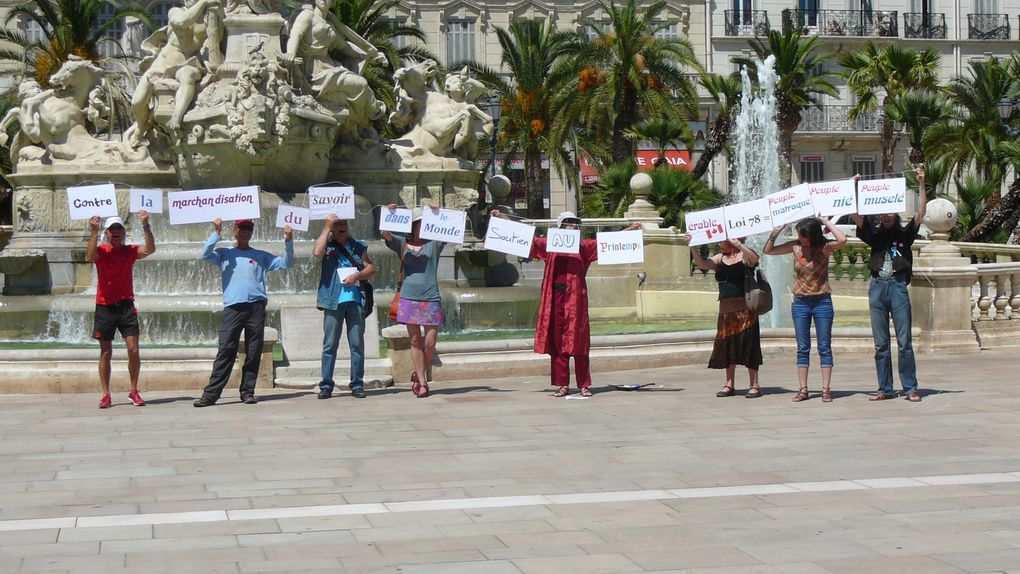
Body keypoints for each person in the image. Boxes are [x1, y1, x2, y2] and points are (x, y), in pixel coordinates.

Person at [493, 210, 640, 397]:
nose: (572, 226)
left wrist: (630, 230)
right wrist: (501, 219)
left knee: (579, 342)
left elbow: (608, 244)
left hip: (576, 300)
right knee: (558, 343)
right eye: (568, 223)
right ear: (560, 226)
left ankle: (583, 384)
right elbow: (524, 238)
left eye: (575, 223)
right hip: (555, 299)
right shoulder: (550, 245)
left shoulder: (583, 247)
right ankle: (562, 384)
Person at [194, 218, 294, 407]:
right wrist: (216, 232)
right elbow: (205, 255)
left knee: (253, 351)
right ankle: (211, 394)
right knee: (225, 350)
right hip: (233, 307)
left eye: (250, 228)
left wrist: (288, 240)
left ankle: (247, 392)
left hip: (255, 307)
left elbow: (286, 264)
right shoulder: (224, 253)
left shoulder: (260, 255)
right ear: (235, 230)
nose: (246, 231)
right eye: (243, 228)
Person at [851, 167, 927, 402]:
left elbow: (921, 212)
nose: (885, 216)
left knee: (904, 343)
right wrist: (854, 187)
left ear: (895, 212)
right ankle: (885, 388)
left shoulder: (904, 234)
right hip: (877, 286)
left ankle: (910, 387)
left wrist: (921, 183)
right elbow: (855, 215)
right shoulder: (873, 235)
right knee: (880, 344)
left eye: (889, 212)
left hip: (897, 286)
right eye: (882, 212)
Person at [764, 215, 846, 403]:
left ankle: (826, 390)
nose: (799, 238)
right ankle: (803, 389)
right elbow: (768, 251)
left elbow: (842, 240)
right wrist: (774, 234)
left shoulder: (824, 248)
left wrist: (826, 221)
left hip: (822, 302)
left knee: (824, 346)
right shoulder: (796, 247)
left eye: (802, 235)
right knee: (803, 347)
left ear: (812, 235)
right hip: (800, 302)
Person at [126, 0, 224, 146]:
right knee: (137, 101)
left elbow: (216, 41)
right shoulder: (176, 11)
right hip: (163, 64)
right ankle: (141, 126)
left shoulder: (207, 19)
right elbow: (182, 22)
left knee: (187, 76)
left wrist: (218, 15)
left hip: (188, 62)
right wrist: (204, 3)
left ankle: (177, 117)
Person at [86, 212, 156, 408]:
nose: (116, 232)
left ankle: (134, 391)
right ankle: (105, 394)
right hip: (105, 307)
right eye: (112, 229)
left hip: (126, 305)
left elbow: (150, 249)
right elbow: (90, 256)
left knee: (133, 349)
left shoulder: (129, 251)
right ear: (107, 233)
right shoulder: (101, 251)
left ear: (124, 233)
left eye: (119, 229)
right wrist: (93, 230)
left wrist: (145, 226)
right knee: (105, 352)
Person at [686, 235, 763, 398]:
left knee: (749, 347)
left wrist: (739, 245)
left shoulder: (744, 256)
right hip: (726, 313)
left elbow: (755, 259)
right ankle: (729, 383)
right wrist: (692, 246)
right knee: (728, 347)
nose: (720, 243)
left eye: (722, 240)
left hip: (745, 312)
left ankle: (754, 384)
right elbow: (702, 264)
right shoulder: (720, 258)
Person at [381, 205, 444, 398]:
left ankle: (419, 373)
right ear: (413, 226)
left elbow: (452, 229)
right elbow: (384, 231)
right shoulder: (402, 243)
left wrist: (438, 213)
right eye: (419, 224)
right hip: (409, 297)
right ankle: (423, 382)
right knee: (416, 340)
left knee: (430, 342)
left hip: (431, 297)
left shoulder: (434, 244)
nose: (422, 227)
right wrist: (389, 211)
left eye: (425, 223)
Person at [313, 214, 375, 399]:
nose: (342, 227)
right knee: (329, 345)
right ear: (332, 227)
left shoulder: (357, 245)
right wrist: (326, 227)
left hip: (356, 301)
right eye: (337, 224)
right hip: (333, 301)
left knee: (357, 345)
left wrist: (357, 276)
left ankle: (357, 384)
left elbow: (371, 268)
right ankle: (326, 385)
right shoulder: (328, 245)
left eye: (344, 223)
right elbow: (317, 253)